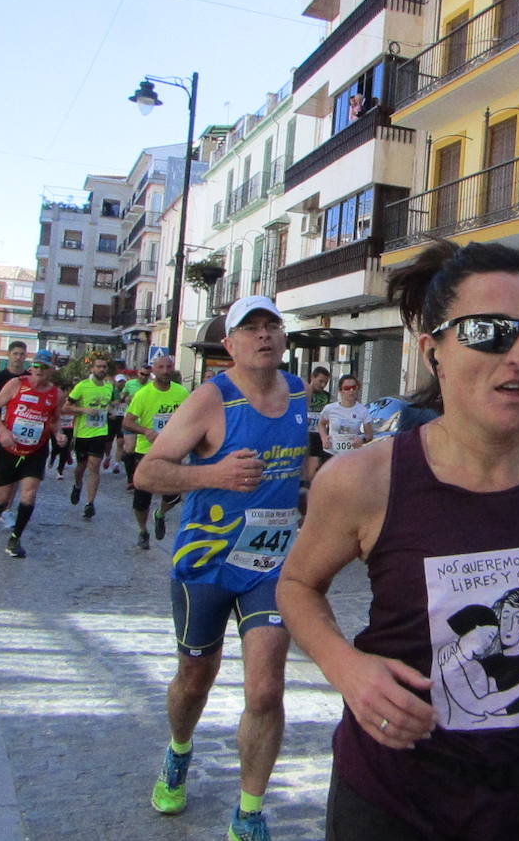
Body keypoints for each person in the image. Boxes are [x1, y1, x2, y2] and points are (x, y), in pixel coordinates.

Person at [277, 240, 519, 840]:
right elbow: (298, 585)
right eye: (488, 331)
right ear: (434, 351)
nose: (518, 354)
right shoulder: (363, 480)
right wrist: (345, 667)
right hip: (394, 792)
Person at [133, 295, 307, 841]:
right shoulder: (211, 400)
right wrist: (215, 476)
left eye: (272, 326)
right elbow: (148, 473)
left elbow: (307, 463)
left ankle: (249, 812)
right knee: (195, 677)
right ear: (229, 345)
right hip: (205, 562)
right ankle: (179, 750)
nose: (264, 335)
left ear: (283, 339)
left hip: (271, 563)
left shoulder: (302, 392)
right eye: (250, 328)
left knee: (265, 690)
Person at [0, 349, 67, 558]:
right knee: (2, 497)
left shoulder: (56, 394)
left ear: (51, 371)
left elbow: (55, 419)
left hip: (35, 450)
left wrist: (58, 434)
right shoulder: (16, 384)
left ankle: (15, 539)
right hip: (10, 447)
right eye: (36, 366)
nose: (39, 370)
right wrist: (2, 431)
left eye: (44, 367)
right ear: (32, 367)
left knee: (28, 495)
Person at [123, 355, 189, 550]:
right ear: (154, 369)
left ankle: (160, 514)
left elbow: (190, 418)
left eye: (169, 367)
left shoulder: (182, 393)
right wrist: (146, 431)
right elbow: (127, 422)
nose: (165, 371)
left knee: (174, 495)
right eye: (161, 367)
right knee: (142, 497)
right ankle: (143, 530)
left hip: (172, 450)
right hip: (146, 451)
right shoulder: (143, 395)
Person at [0, 341, 30, 504]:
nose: (18, 357)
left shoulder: (29, 379)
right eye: (15, 354)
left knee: (15, 472)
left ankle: (6, 507)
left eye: (21, 354)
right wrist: (2, 406)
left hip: (21, 431)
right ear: (8, 355)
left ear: (26, 356)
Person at [65, 355, 115, 518]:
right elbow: (67, 406)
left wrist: (111, 411)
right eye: (99, 366)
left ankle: (89, 503)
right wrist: (84, 410)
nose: (102, 369)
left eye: (104, 367)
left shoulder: (109, 387)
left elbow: (111, 405)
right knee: (81, 467)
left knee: (94, 467)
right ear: (92, 369)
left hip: (100, 432)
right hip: (82, 433)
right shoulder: (82, 386)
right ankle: (78, 484)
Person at [316, 374, 372, 464]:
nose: (351, 391)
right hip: (331, 453)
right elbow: (321, 424)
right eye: (347, 388)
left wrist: (362, 439)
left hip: (352, 455)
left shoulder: (362, 410)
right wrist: (324, 438)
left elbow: (369, 435)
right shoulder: (330, 408)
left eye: (354, 387)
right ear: (340, 391)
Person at [120, 364, 150, 486]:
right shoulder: (130, 384)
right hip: (131, 421)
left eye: (147, 375)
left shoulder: (151, 386)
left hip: (145, 423)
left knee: (142, 452)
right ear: (138, 373)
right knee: (130, 449)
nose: (144, 377)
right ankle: (130, 478)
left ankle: (138, 476)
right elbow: (122, 396)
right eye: (142, 374)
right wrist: (125, 398)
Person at [303, 364, 331, 481]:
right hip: (305, 433)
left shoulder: (326, 396)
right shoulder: (302, 393)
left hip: (319, 434)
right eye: (320, 381)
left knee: (317, 464)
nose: (323, 385)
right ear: (312, 377)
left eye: (325, 382)